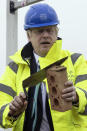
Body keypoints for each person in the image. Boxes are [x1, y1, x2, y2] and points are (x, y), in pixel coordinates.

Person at [0, 3, 87, 131]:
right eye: (40, 31)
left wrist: (76, 96)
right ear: (29, 36)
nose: (45, 35)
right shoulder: (14, 68)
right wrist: (12, 110)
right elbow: (1, 111)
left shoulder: (75, 60)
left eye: (50, 30)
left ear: (56, 32)